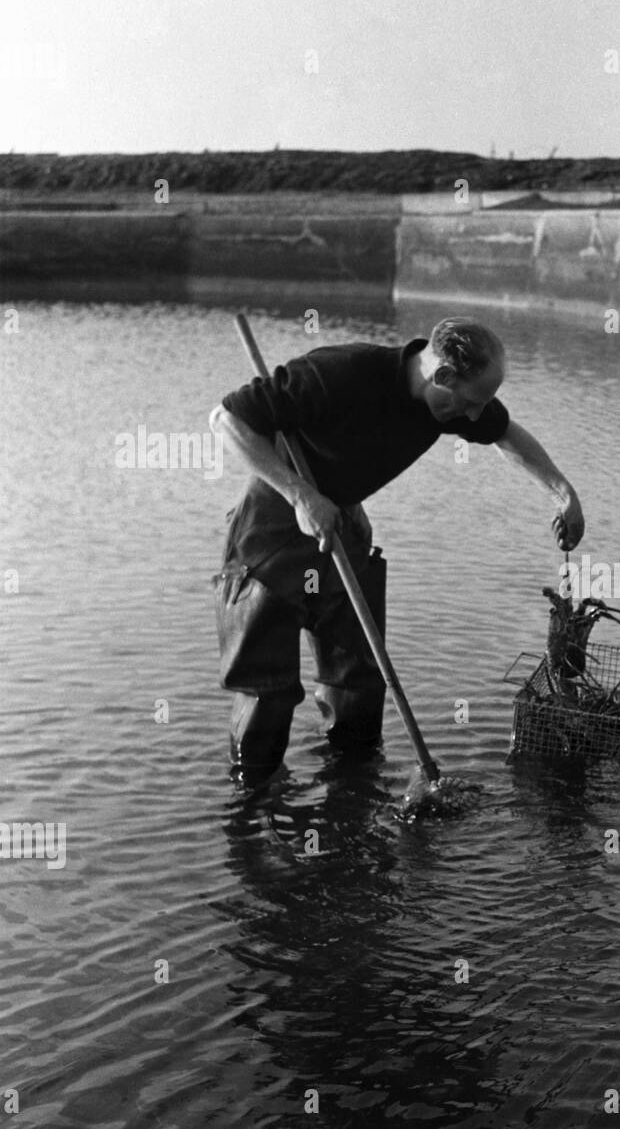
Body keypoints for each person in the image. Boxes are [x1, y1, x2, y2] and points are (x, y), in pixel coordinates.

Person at [209, 316, 584, 782]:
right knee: (268, 694)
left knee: (359, 685)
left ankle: (352, 796)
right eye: (470, 403)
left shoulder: (448, 402)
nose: (473, 416)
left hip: (341, 527)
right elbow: (227, 419)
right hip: (272, 534)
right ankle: (253, 809)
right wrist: (300, 496)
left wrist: (563, 493)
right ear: (442, 375)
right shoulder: (341, 373)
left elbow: (505, 434)